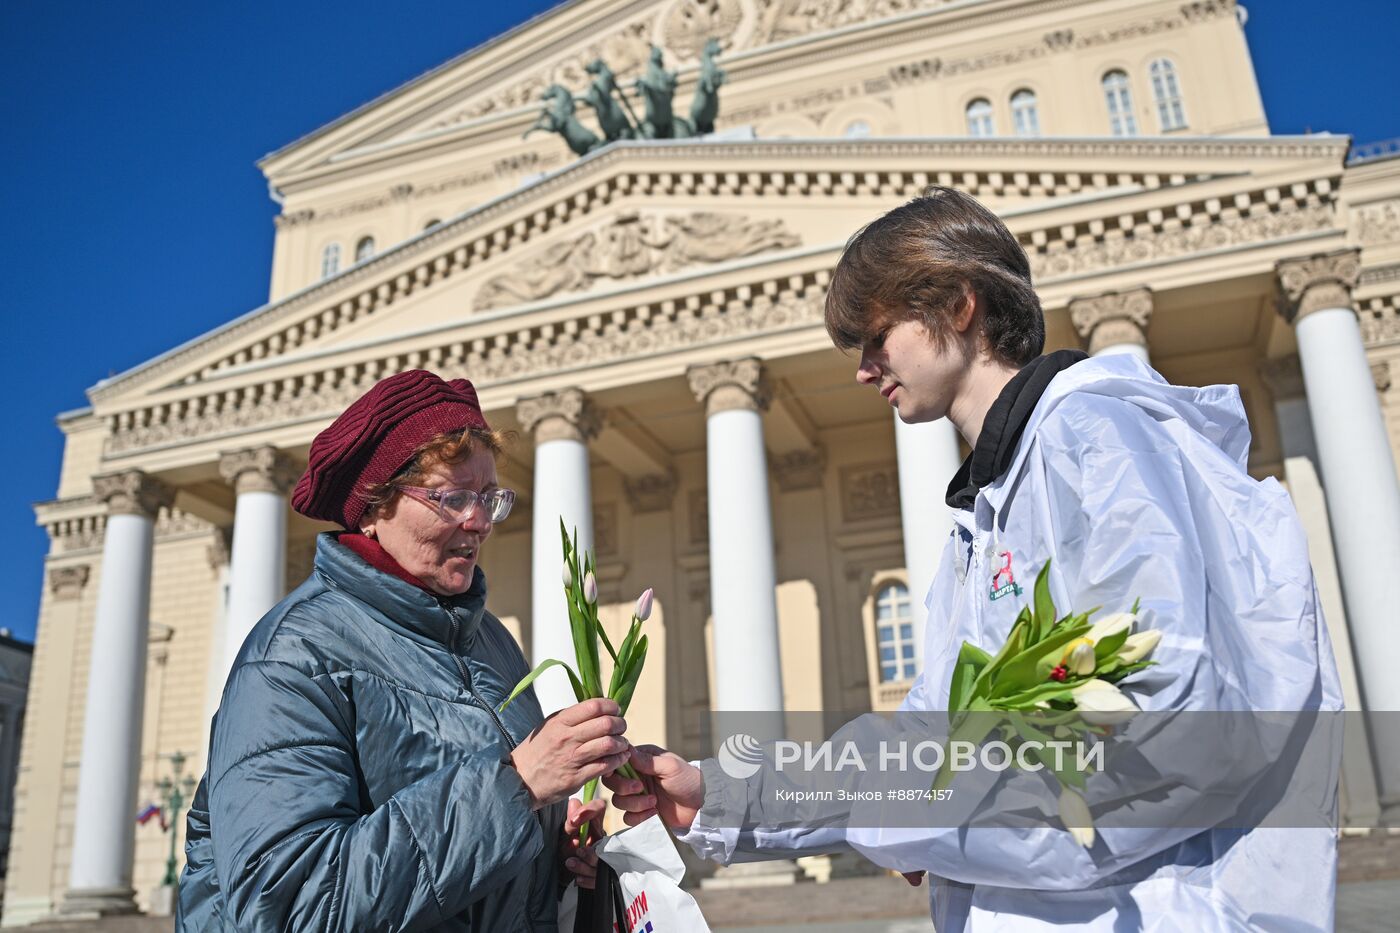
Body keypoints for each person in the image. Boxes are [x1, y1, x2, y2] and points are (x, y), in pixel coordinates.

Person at [607, 188, 1342, 931]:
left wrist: (912, 820)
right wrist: (725, 792)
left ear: (959, 307)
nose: (864, 369)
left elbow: (1158, 724)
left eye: (876, 335)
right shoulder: (986, 513)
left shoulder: (1097, 441)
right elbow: (926, 739)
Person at [178, 370, 630, 931]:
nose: (481, 520)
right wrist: (516, 788)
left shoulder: (492, 643)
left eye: (489, 497)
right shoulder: (295, 655)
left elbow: (471, 863)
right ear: (373, 507)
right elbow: (289, 904)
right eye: (452, 497)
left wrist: (548, 850)